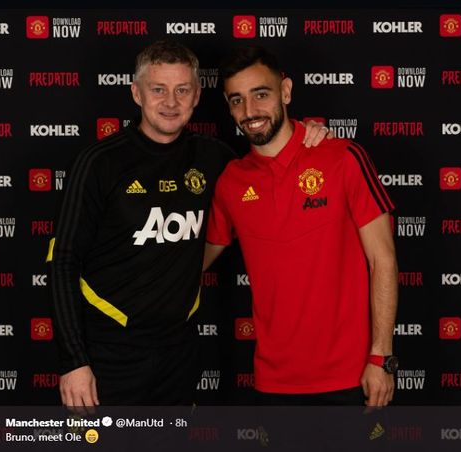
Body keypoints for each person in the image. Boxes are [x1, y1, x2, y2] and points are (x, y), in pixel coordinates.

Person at [48, 40, 330, 407]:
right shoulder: (99, 162)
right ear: (136, 93)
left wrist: (309, 137)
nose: (171, 102)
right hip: (107, 356)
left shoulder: (215, 159)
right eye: (158, 90)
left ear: (197, 95)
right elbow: (63, 262)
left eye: (182, 90)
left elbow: (270, 166)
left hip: (179, 355)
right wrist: (74, 361)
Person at [204, 46, 399, 406]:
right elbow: (192, 260)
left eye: (261, 94)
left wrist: (380, 358)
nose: (250, 112)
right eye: (237, 100)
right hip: (272, 383)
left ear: (286, 91)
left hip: (352, 378)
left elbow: (383, 261)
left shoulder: (342, 157)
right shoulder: (231, 182)